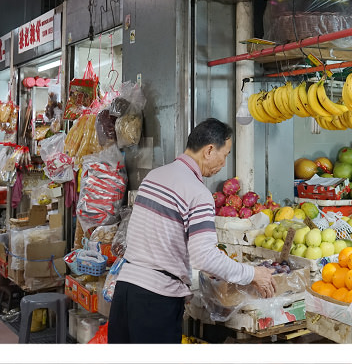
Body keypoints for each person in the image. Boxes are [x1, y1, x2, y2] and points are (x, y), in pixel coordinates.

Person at [108, 118, 276, 343]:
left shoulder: (153, 177)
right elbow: (204, 257)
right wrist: (253, 274)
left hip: (125, 290)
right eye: (224, 154)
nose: (224, 164)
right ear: (209, 150)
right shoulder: (198, 193)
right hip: (155, 301)